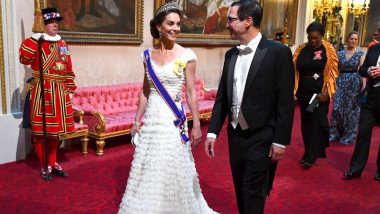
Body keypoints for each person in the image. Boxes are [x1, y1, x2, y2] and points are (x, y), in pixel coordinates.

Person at [118, 2, 217, 213]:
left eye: (178, 24)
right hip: (152, 121)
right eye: (170, 23)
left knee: (170, 166)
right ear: (159, 27)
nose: (176, 28)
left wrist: (197, 125)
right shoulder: (147, 56)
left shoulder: (186, 56)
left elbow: (191, 93)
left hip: (172, 122)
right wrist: (137, 120)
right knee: (149, 167)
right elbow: (145, 91)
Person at [204, 1, 295, 213]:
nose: (226, 23)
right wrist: (213, 133)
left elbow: (285, 101)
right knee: (240, 188)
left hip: (262, 135)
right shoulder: (231, 55)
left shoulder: (277, 52)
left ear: (248, 21)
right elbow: (222, 99)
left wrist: (280, 141)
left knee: (253, 191)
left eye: (231, 19)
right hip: (235, 134)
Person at [19, 7, 76, 180]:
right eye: (50, 22)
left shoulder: (63, 44)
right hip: (42, 91)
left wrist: (70, 88)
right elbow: (24, 59)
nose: (55, 25)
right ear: (42, 24)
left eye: (56, 22)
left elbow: (68, 68)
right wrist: (34, 40)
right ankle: (45, 164)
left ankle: (52, 163)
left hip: (59, 92)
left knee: (55, 132)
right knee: (40, 132)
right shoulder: (35, 42)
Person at [293, 22, 339, 169]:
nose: (313, 41)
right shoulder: (301, 49)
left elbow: (332, 73)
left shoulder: (328, 49)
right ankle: (309, 151)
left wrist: (326, 92)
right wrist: (293, 91)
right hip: (303, 93)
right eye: (310, 38)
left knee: (314, 122)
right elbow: (294, 70)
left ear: (322, 36)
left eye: (316, 38)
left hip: (318, 94)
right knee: (306, 123)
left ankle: (311, 155)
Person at [343, 42, 380, 181]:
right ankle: (355, 169)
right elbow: (362, 70)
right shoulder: (374, 49)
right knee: (363, 133)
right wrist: (369, 70)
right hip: (371, 98)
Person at [329, 32, 365, 145]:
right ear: (347, 39)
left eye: (355, 39)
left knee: (351, 109)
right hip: (340, 81)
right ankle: (334, 133)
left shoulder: (360, 54)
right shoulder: (339, 54)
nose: (353, 41)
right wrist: (332, 83)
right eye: (351, 39)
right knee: (337, 107)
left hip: (354, 82)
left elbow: (362, 70)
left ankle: (348, 135)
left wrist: (364, 84)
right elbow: (335, 70)